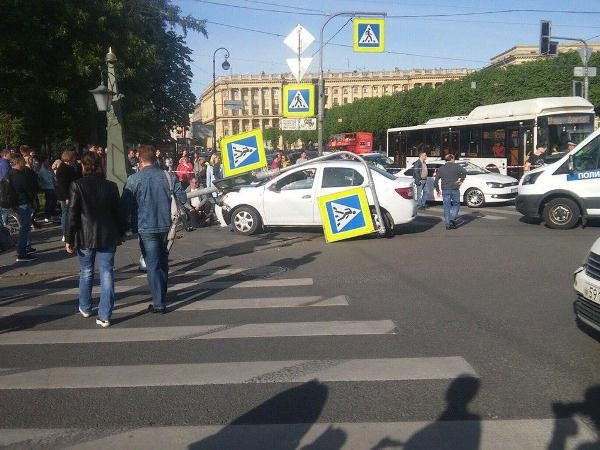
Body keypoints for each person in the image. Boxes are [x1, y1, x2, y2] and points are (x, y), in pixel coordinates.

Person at [121, 145, 186, 314]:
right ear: (155, 158)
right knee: (163, 260)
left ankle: (158, 302)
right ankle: (161, 294)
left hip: (145, 226)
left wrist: (122, 226)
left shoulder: (134, 179)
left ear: (140, 160)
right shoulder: (169, 177)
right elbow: (183, 198)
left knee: (152, 263)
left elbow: (125, 205)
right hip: (166, 224)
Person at [65, 153, 126, 328]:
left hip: (84, 235)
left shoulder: (77, 185)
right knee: (107, 273)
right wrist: (121, 232)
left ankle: (85, 307)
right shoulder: (111, 186)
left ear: (83, 166)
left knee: (86, 271)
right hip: (107, 235)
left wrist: (69, 238)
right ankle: (105, 315)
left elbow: (73, 215)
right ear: (100, 165)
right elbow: (118, 212)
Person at [8, 154, 38, 261]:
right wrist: (32, 199)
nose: (23, 163)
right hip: (22, 203)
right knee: (24, 228)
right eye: (21, 161)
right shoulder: (18, 175)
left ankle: (26, 247)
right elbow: (26, 189)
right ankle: (22, 253)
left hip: (19, 203)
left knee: (25, 227)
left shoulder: (10, 174)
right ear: (17, 162)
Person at [434, 154, 467, 230]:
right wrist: (461, 180)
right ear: (452, 159)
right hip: (455, 188)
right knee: (456, 204)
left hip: (445, 190)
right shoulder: (457, 166)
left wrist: (438, 190)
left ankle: (447, 224)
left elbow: (435, 181)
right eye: (454, 158)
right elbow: (464, 172)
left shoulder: (441, 168)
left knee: (446, 207)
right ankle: (452, 219)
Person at [55, 150, 81, 241]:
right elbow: (62, 185)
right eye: (73, 157)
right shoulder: (63, 168)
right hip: (65, 196)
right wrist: (66, 197)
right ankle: (65, 233)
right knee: (66, 214)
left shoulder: (68, 167)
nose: (75, 158)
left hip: (68, 194)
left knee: (67, 214)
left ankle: (68, 232)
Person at [37, 157, 58, 222]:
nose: (48, 163)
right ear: (43, 162)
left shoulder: (49, 169)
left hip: (52, 187)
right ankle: (47, 216)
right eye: (47, 161)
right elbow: (43, 180)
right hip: (47, 188)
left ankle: (52, 214)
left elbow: (54, 176)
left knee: (53, 201)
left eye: (48, 161)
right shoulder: (42, 170)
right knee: (49, 202)